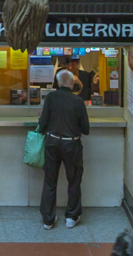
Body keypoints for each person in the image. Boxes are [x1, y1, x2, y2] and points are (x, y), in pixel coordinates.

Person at [37, 67, 90, 229]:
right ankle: (71, 218)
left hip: (52, 143)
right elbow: (86, 129)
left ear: (57, 83)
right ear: (72, 84)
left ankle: (48, 220)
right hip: (72, 144)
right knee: (74, 181)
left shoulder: (51, 98)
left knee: (50, 181)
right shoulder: (78, 101)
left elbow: (42, 124)